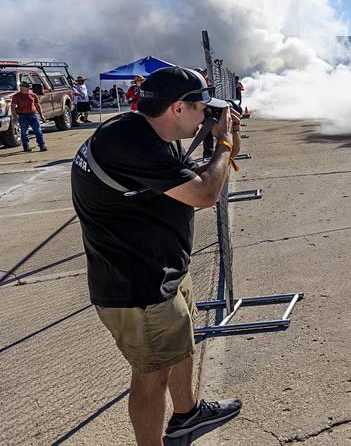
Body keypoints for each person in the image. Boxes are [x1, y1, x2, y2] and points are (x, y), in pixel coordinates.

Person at [71, 66, 242, 445]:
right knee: (151, 374)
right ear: (178, 108)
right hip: (138, 284)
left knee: (180, 344)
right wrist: (225, 145)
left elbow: (177, 181)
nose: (207, 117)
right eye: (203, 109)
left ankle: (188, 414)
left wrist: (214, 148)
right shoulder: (133, 144)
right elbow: (203, 194)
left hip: (161, 267)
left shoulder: (142, 130)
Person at [11, 81, 47, 152]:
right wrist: (15, 117)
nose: (21, 87)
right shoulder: (16, 96)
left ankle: (42, 145)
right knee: (24, 132)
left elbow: (37, 105)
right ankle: (26, 146)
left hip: (33, 115)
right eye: (21, 86)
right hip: (22, 116)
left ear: (27, 87)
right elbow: (13, 107)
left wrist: (41, 115)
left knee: (38, 131)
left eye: (23, 86)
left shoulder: (33, 95)